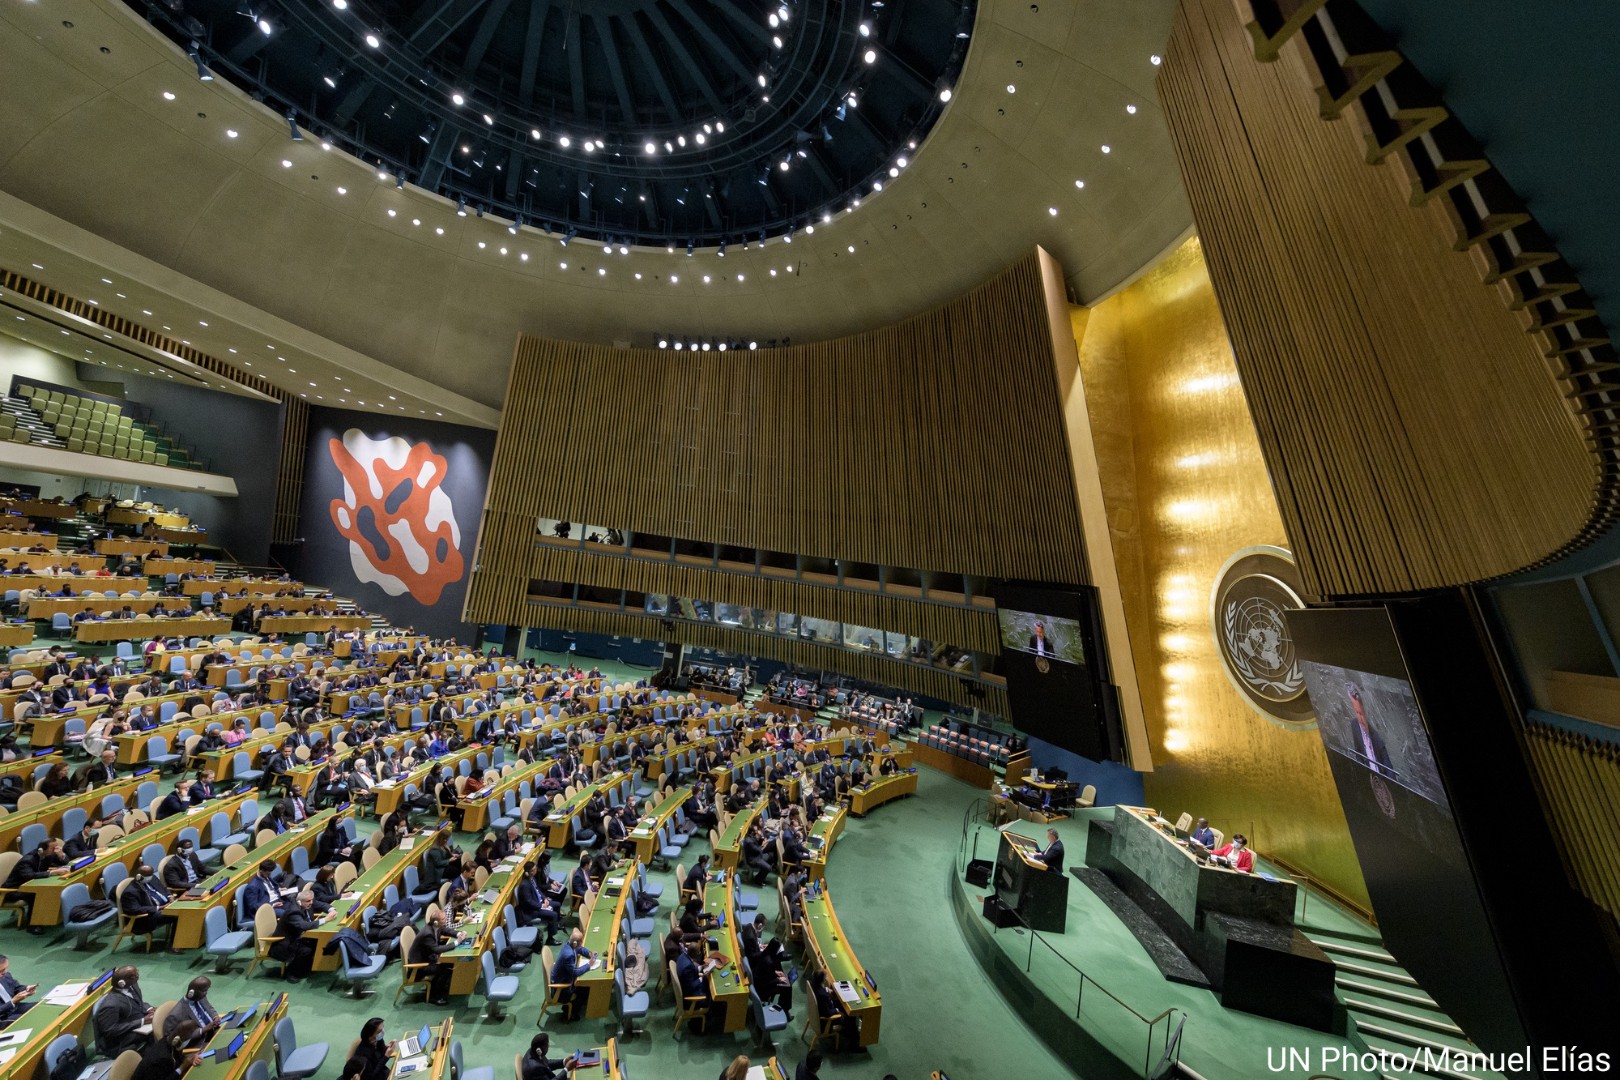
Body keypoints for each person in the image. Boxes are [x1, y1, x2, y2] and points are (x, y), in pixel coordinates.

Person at [93, 966, 155, 1056]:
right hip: (120, 1039)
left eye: (137, 973)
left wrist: (149, 1009)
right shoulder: (111, 1005)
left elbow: (139, 1002)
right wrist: (142, 1021)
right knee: (156, 1032)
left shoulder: (132, 985)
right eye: (133, 976)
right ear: (122, 983)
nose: (137, 976)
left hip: (135, 1023)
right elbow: (110, 1030)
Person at [409, 909, 466, 1006]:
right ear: (436, 922)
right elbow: (437, 950)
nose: (446, 919)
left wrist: (458, 934)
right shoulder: (427, 933)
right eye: (444, 919)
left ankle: (440, 987)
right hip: (419, 966)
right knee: (446, 968)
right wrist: (457, 942)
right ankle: (433, 996)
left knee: (448, 964)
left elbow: (445, 930)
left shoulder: (435, 927)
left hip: (429, 958)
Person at [270, 890, 323, 982]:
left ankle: (307, 966)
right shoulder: (293, 912)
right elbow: (303, 925)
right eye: (308, 901)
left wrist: (331, 909)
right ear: (300, 901)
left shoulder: (306, 904)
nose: (311, 903)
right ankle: (291, 973)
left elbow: (322, 905)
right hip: (284, 944)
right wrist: (325, 920)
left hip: (296, 937)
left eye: (311, 900)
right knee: (306, 950)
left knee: (316, 942)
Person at [119, 864, 175, 943]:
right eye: (147, 875)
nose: (150, 877)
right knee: (177, 914)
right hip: (148, 917)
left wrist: (170, 896)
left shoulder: (152, 879)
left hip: (168, 905)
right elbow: (135, 910)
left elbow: (164, 888)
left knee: (185, 908)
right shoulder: (130, 891)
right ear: (139, 876)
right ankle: (175, 944)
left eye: (151, 874)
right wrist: (160, 907)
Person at [132, 1018, 202, 1080]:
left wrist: (189, 1059)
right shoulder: (163, 1059)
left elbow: (177, 1057)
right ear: (181, 1039)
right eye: (188, 1038)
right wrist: (182, 1067)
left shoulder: (167, 1040)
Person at [551, 928, 596, 1021]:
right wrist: (589, 965)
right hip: (561, 988)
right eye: (581, 941)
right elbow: (575, 972)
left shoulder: (569, 944)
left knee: (585, 987)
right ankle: (569, 1012)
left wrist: (589, 954)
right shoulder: (568, 955)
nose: (581, 943)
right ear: (576, 942)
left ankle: (574, 1007)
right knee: (585, 988)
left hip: (563, 978)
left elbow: (580, 949)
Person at [0, 954, 38, 1026]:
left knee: (38, 1007)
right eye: (1, 971)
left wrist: (26, 989)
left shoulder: (6, 975)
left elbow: (16, 987)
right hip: (2, 1017)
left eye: (5, 968)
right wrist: (13, 1001)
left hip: (15, 1007)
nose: (5, 972)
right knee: (25, 1020)